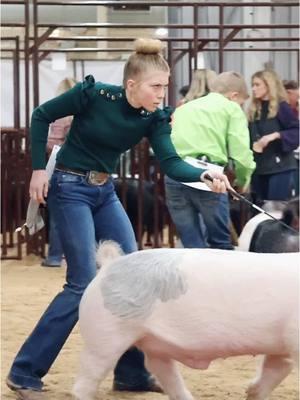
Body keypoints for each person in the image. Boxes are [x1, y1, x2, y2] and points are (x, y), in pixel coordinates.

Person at [6, 38, 232, 400]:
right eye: (155, 86)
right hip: (68, 186)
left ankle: (131, 375)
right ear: (132, 84)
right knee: (82, 283)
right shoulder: (93, 95)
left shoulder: (152, 119)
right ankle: (24, 372)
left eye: (165, 85)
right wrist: (37, 170)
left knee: (132, 278)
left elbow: (171, 162)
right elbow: (40, 115)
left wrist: (203, 175)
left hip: (103, 191)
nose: (162, 93)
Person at [165, 71, 256, 249]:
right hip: (209, 176)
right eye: (241, 102)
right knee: (220, 244)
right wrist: (243, 181)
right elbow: (241, 154)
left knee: (191, 245)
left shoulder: (184, 108)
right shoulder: (231, 108)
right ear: (234, 95)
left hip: (175, 174)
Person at [41, 77, 77, 268]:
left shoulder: (59, 115)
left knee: (58, 214)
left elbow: (51, 144)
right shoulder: (83, 113)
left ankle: (55, 256)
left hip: (61, 168)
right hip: (85, 169)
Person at [248, 70, 299, 202]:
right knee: (259, 208)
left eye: (257, 85)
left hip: (280, 167)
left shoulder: (282, 108)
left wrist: (275, 135)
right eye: (252, 85)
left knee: (275, 208)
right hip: (259, 167)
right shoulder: (254, 110)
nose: (253, 89)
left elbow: (296, 131)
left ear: (269, 85)